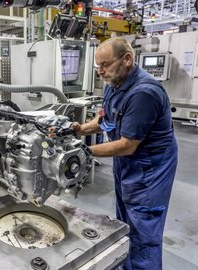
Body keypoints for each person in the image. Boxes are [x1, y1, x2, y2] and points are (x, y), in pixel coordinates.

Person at [72, 37, 178, 269]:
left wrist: (84, 151)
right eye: (97, 66)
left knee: (143, 229)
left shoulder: (144, 93)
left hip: (150, 169)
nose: (100, 71)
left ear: (127, 59)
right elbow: (104, 118)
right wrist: (81, 130)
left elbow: (128, 144)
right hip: (127, 165)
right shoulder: (116, 85)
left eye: (105, 65)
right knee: (125, 221)